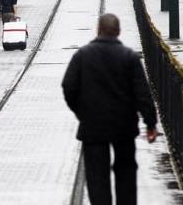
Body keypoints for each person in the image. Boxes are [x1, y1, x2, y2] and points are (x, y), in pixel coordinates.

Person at [62, 14, 158, 205]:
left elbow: (69, 87)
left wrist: (82, 113)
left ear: (98, 30)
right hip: (124, 127)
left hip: (93, 128)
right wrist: (150, 123)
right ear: (118, 32)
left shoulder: (82, 55)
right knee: (126, 173)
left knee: (97, 178)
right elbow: (142, 94)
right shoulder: (129, 57)